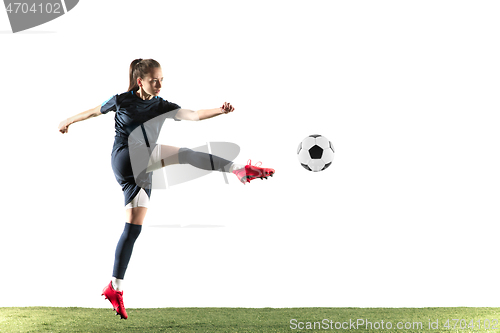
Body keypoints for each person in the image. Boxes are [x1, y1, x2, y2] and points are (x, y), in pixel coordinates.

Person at [58, 59, 275, 319]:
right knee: (184, 154)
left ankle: (115, 286)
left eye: (162, 79)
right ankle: (238, 169)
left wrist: (220, 110)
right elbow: (94, 111)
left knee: (133, 229)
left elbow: (193, 115)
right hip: (126, 157)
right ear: (141, 81)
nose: (159, 84)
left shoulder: (162, 106)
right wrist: (68, 120)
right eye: (154, 80)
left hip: (140, 172)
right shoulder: (122, 100)